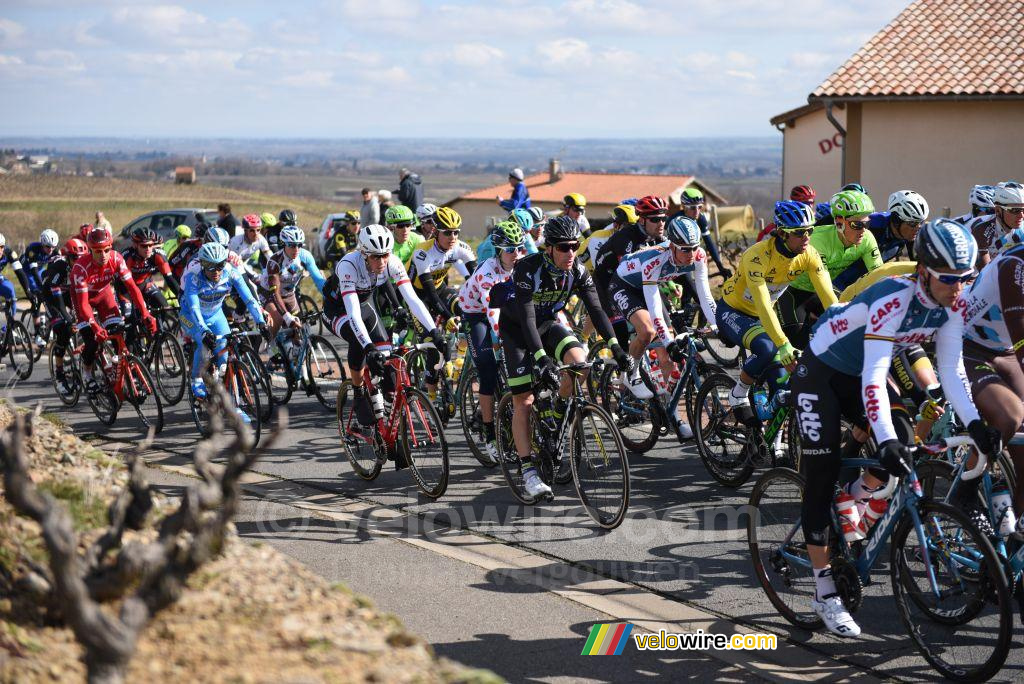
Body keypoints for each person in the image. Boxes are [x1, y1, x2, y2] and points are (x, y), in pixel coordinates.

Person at [795, 219, 999, 637]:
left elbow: (951, 369)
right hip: (820, 369)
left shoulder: (954, 303)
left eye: (967, 279)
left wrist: (976, 422)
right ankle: (824, 593)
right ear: (923, 270)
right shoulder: (892, 300)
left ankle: (851, 505)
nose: (959, 289)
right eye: (949, 279)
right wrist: (882, 438)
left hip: (857, 371)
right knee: (822, 472)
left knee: (905, 438)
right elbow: (874, 377)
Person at [322, 224, 443, 434]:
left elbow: (412, 300)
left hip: (365, 304)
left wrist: (434, 333)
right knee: (358, 341)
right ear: (364, 253)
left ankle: (388, 412)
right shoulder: (348, 265)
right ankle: (359, 392)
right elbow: (352, 313)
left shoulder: (392, 262)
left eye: (385, 255)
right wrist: (369, 348)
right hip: (337, 309)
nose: (382, 262)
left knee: (388, 358)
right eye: (376, 257)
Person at [716, 201, 835, 410]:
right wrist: (782, 343)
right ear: (782, 233)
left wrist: (844, 328)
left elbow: (829, 298)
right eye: (799, 232)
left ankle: (773, 440)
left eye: (810, 230)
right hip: (734, 311)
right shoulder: (757, 256)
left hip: (762, 317)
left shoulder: (809, 254)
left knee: (782, 387)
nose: (807, 237)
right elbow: (762, 304)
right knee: (767, 348)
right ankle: (738, 392)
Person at [609, 216, 716, 435]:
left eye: (694, 248)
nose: (691, 254)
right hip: (625, 286)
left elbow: (706, 297)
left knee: (669, 360)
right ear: (673, 245)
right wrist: (667, 341)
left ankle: (673, 416)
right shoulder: (655, 259)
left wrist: (718, 326)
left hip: (651, 289)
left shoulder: (698, 255)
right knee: (648, 332)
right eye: (685, 249)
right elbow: (654, 308)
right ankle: (631, 372)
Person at [457, 221, 528, 464]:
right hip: (476, 312)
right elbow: (492, 312)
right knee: (487, 368)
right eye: (510, 250)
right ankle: (489, 434)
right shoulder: (488, 271)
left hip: (503, 308)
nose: (516, 254)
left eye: (520, 248)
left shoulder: (521, 264)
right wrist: (504, 340)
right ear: (498, 250)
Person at [778, 191, 881, 348]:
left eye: (866, 224)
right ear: (839, 221)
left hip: (817, 291)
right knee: (802, 345)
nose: (863, 231)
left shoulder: (867, 238)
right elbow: (825, 290)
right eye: (857, 225)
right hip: (791, 291)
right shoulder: (818, 242)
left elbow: (878, 276)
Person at [180, 242, 269, 406]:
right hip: (191, 316)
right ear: (203, 264)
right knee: (204, 344)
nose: (216, 271)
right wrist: (204, 330)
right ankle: (196, 379)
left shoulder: (230, 272)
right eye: (211, 267)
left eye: (220, 265)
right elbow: (194, 307)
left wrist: (261, 322)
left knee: (224, 352)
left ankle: (227, 394)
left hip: (215, 314)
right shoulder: (193, 277)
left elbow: (249, 299)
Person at [70, 228, 157, 395]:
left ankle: (119, 369)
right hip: (83, 299)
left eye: (107, 250)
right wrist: (95, 326)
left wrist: (145, 313)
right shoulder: (80, 268)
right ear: (90, 250)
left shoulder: (117, 259)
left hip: (103, 294)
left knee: (118, 333)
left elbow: (132, 288)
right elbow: (83, 305)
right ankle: (87, 373)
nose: (103, 255)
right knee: (92, 340)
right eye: (98, 251)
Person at [593, 195, 671, 347]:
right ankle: (622, 363)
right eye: (655, 219)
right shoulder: (626, 237)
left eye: (663, 219)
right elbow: (626, 269)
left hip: (633, 280)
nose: (661, 224)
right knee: (621, 333)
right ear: (641, 220)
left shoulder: (657, 237)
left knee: (665, 312)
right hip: (607, 281)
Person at [831, 190, 928, 292]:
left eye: (921, 222)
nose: (917, 228)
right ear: (896, 220)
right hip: (837, 282)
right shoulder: (873, 223)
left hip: (864, 286)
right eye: (912, 224)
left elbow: (916, 266)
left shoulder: (912, 234)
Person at [407, 207, 476, 327]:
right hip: (416, 294)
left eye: (456, 232)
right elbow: (429, 292)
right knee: (429, 337)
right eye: (447, 232)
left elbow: (476, 279)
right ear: (435, 232)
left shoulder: (461, 248)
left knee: (466, 313)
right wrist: (448, 316)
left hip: (440, 288)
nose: (453, 237)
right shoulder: (423, 252)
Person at [257, 225, 326, 341]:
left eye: (299, 245)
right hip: (269, 295)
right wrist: (287, 316)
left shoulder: (305, 257)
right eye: (292, 245)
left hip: (289, 294)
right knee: (278, 319)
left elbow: (319, 280)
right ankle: (270, 346)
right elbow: (275, 293)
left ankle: (293, 354)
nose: (296, 249)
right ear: (284, 244)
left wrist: (329, 298)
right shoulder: (275, 262)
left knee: (299, 329)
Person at [43, 238, 87, 394]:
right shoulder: (61, 267)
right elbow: (59, 302)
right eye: (75, 258)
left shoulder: (84, 265)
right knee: (63, 329)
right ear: (67, 257)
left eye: (82, 257)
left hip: (68, 292)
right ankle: (60, 374)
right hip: (51, 296)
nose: (79, 260)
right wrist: (69, 320)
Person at [121, 226, 181, 315]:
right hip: (125, 287)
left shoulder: (158, 255)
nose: (148, 249)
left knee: (164, 307)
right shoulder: (127, 257)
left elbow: (169, 278)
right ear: (135, 245)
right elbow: (124, 283)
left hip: (145, 283)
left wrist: (182, 297)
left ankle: (160, 328)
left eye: (150, 245)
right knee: (129, 316)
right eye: (144, 246)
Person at [673, 188, 730, 278]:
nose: (697, 211)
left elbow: (709, 243)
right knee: (691, 289)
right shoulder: (675, 221)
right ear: (683, 207)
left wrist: (720, 266)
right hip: (675, 259)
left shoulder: (700, 218)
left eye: (700, 207)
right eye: (692, 207)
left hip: (690, 257)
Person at [20, 228, 61, 346]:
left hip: (40, 270)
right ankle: (38, 333)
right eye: (48, 247)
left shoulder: (55, 251)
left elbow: (56, 268)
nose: (51, 249)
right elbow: (33, 272)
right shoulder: (33, 249)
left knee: (52, 294)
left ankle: (48, 321)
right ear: (42, 244)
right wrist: (42, 288)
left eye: (53, 246)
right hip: (27, 272)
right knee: (38, 297)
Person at [972, 183, 1024, 268]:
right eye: (1015, 210)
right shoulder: (982, 231)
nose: (1022, 216)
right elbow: (985, 274)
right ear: (998, 211)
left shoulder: (1021, 230)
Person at [0, 233, 32, 335]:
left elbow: (20, 273)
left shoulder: (9, 253)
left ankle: (11, 326)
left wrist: (28, 292)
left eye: (1, 247)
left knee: (10, 289)